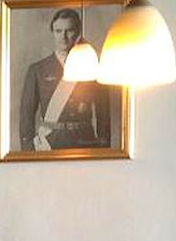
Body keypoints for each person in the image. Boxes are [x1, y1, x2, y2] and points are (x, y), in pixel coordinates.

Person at [18, 8, 113, 152]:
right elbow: (26, 114)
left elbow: (103, 112)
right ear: (52, 32)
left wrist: (103, 149)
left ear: (78, 32)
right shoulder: (37, 70)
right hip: (50, 142)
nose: (63, 36)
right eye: (58, 31)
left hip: (84, 141)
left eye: (69, 30)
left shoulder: (93, 66)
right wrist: (28, 150)